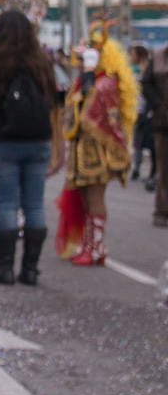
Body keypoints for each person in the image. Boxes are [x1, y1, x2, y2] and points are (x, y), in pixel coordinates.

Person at [0, 10, 57, 286]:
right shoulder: (42, 61)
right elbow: (53, 97)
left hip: (0, 141)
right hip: (38, 141)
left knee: (6, 206)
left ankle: (4, 269)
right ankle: (30, 270)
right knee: (35, 206)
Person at [55, 18, 139, 266]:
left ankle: (97, 248)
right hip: (82, 150)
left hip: (99, 151)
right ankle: (91, 245)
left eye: (85, 59)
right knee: (84, 197)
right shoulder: (86, 81)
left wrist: (90, 74)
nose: (80, 64)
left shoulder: (106, 82)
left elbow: (93, 111)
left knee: (94, 197)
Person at [140, 42, 168, 227]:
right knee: (164, 169)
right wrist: (159, 105)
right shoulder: (159, 56)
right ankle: (162, 211)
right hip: (163, 124)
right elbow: (145, 83)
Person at [130, 44, 156, 183]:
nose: (131, 57)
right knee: (137, 141)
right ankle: (136, 168)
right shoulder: (133, 70)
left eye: (133, 54)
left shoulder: (147, 69)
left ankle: (153, 172)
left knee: (150, 143)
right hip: (136, 109)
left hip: (146, 110)